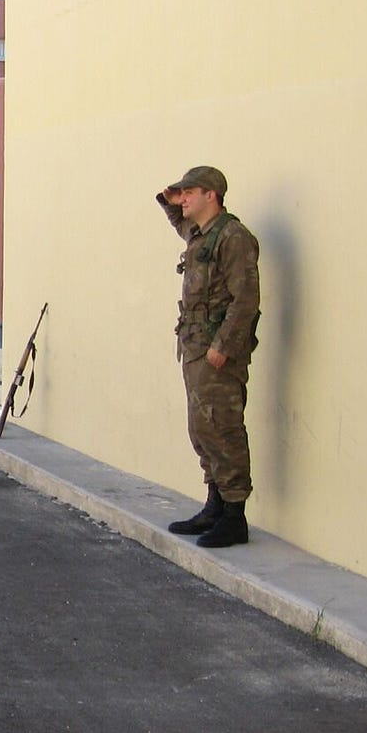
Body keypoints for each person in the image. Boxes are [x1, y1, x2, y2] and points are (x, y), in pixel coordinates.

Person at [156, 165, 261, 548]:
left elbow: (246, 298)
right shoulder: (200, 234)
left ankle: (235, 516)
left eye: (189, 192)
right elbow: (176, 219)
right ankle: (215, 505)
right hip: (195, 346)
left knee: (223, 427)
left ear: (211, 195)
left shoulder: (233, 237)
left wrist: (223, 346)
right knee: (201, 429)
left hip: (217, 351)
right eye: (180, 194)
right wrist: (169, 198)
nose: (181, 199)